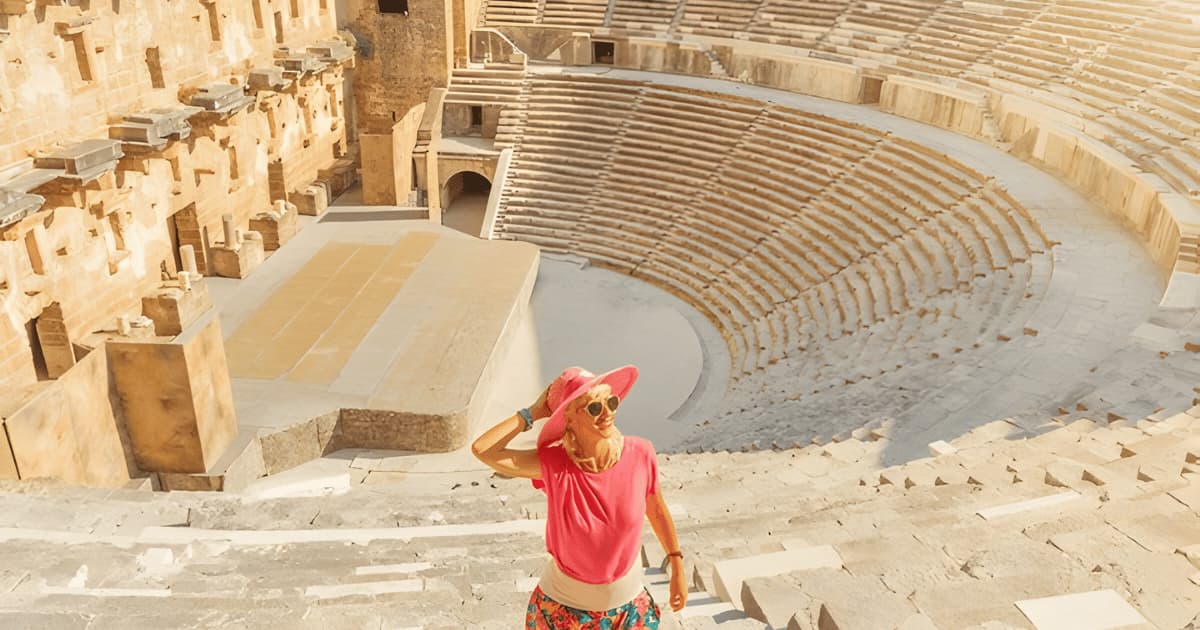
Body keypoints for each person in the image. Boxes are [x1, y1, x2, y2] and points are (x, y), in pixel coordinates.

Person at [471, 366, 687, 629]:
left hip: (629, 614)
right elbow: (483, 450)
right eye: (594, 408)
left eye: (611, 401)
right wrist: (532, 413)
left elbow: (656, 508)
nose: (607, 413)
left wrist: (676, 563)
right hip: (563, 615)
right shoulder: (554, 465)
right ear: (569, 418)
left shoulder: (640, 453)